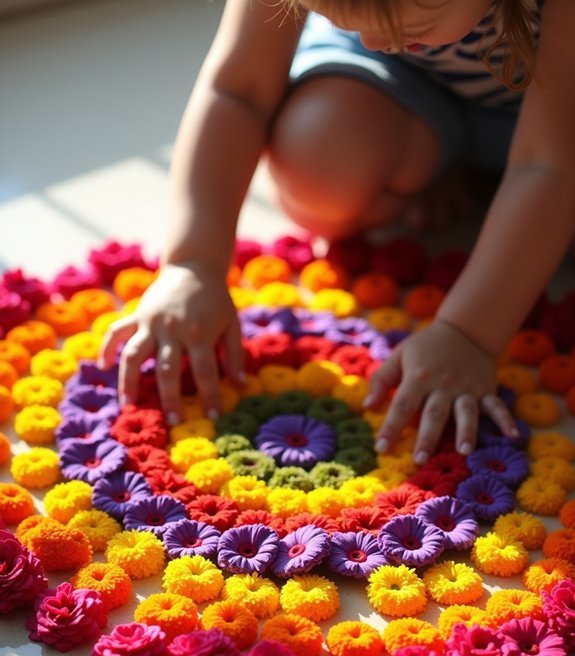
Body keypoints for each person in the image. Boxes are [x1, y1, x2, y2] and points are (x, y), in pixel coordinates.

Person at [98, 0, 575, 464]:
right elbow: (237, 88)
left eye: (406, 20)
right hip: (410, 85)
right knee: (320, 163)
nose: (371, 37)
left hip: (559, 112)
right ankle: (447, 162)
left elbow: (549, 164)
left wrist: (468, 334)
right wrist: (193, 262)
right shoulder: (381, 38)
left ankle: (474, 175)